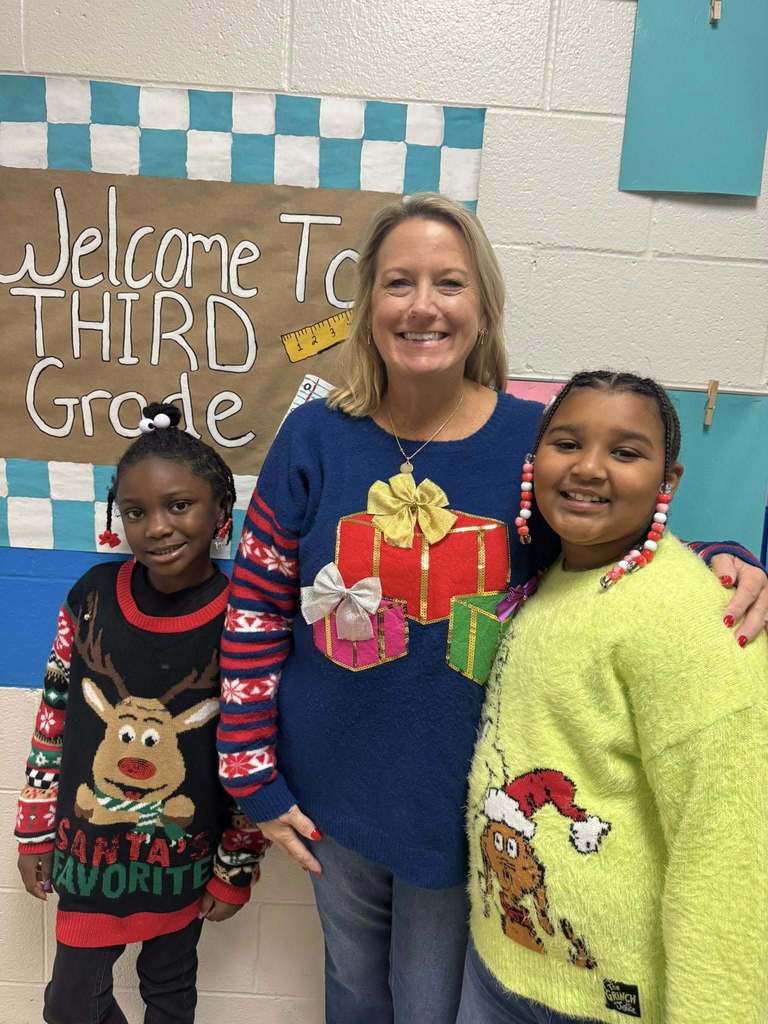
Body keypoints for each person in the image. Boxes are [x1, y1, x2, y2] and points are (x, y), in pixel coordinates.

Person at [217, 194, 767, 1024]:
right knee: (352, 993)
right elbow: (256, 604)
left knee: (430, 1005)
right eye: (399, 282)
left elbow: (614, 543)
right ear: (369, 306)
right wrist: (248, 769)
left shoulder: (532, 439)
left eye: (450, 282)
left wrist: (727, 559)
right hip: (327, 789)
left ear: (484, 307)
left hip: (460, 799)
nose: (423, 304)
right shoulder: (315, 437)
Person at [458, 371, 767, 1024]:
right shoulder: (553, 578)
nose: (590, 468)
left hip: (607, 1002)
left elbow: (732, 862)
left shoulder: (697, 623)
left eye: (626, 452)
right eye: (567, 443)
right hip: (502, 965)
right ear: (534, 461)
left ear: (668, 482)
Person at [15, 403, 267, 1024]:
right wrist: (34, 828)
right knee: (69, 1005)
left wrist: (235, 863)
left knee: (171, 993)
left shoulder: (244, 618)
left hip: (182, 857)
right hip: (87, 852)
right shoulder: (91, 597)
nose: (156, 526)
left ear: (220, 514)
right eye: (135, 511)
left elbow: (255, 748)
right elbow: (53, 721)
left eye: (178, 506)